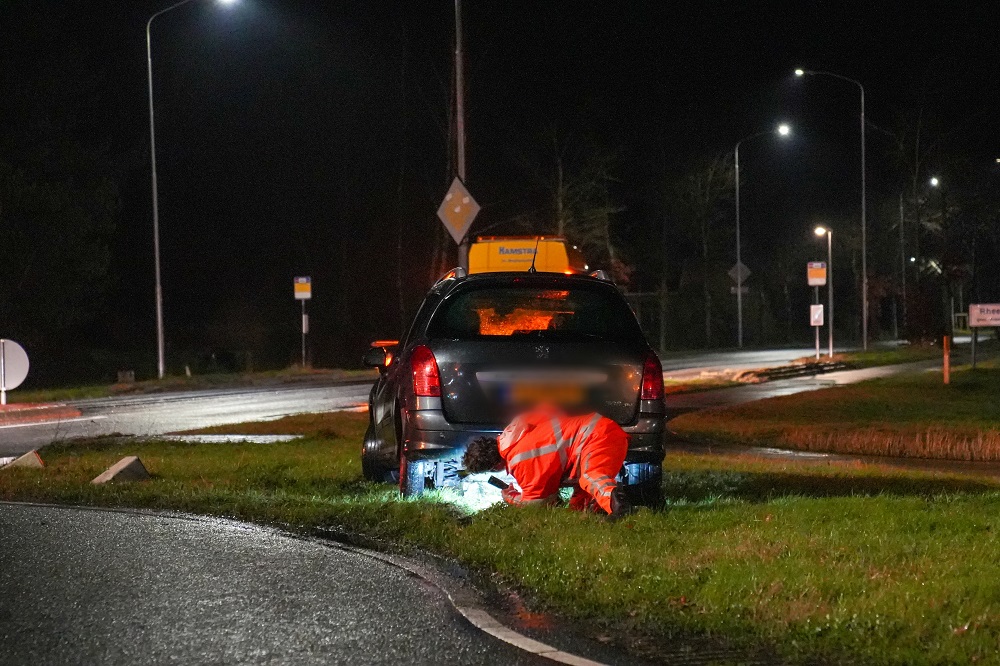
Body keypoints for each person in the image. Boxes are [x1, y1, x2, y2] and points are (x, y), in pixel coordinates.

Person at [462, 406, 632, 518]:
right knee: (578, 508)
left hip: (596, 438)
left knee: (592, 478)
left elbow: (537, 503)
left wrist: (511, 497)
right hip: (598, 431)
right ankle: (607, 512)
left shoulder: (519, 460)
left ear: (494, 466)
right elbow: (549, 410)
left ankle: (620, 508)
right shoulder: (516, 431)